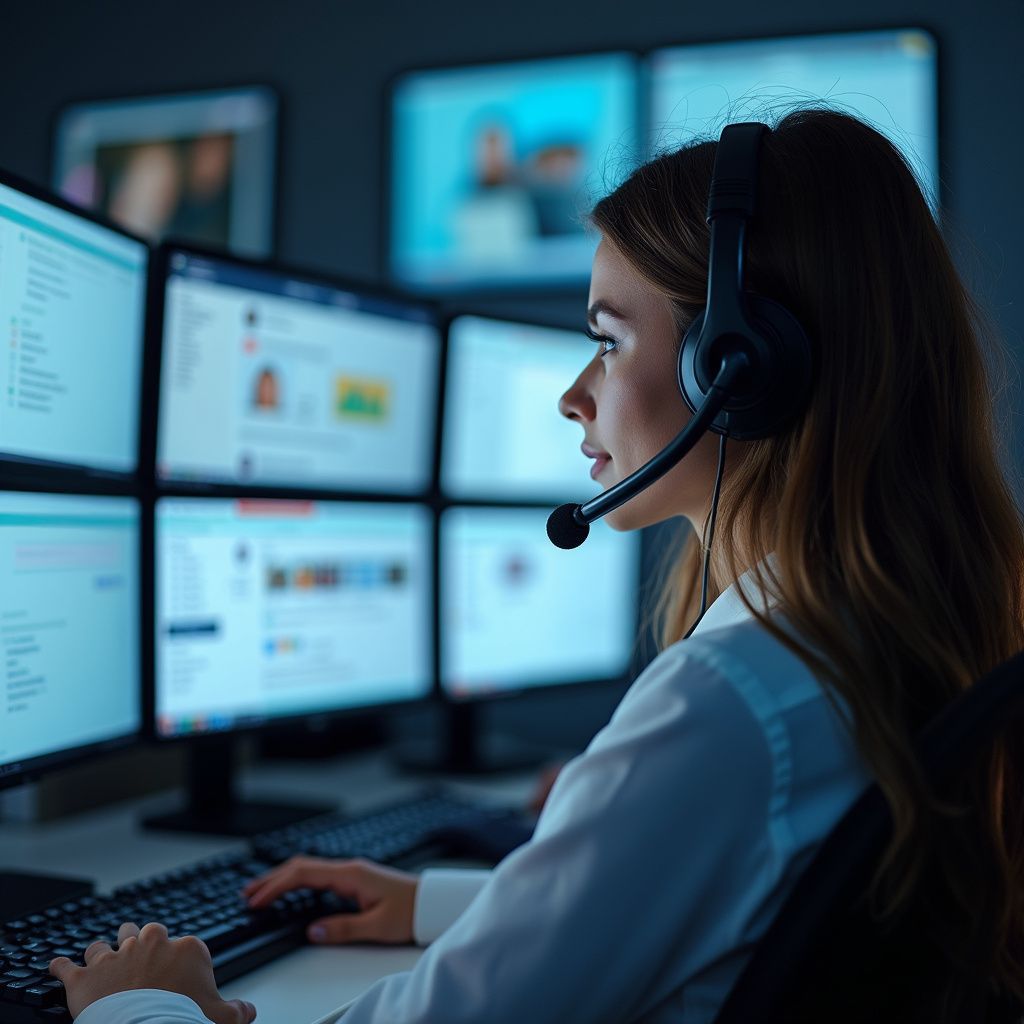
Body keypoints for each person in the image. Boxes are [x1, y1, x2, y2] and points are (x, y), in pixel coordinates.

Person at [51, 109, 1024, 1023]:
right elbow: (716, 890)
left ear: (738, 366)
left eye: (607, 339)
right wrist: (442, 903)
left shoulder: (731, 698)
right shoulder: (869, 632)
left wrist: (143, 1003)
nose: (573, 394)